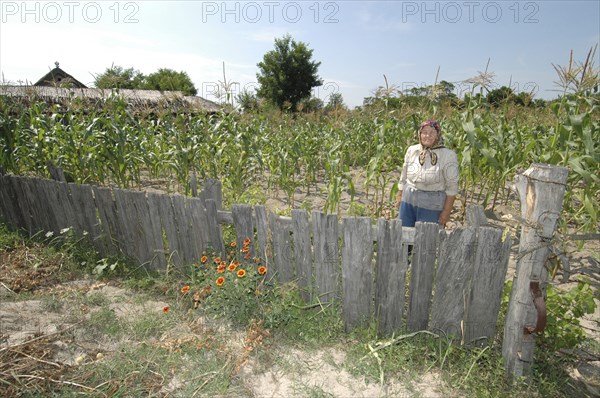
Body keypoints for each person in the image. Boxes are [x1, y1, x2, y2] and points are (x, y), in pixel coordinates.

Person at [396, 119, 459, 228]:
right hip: (408, 200)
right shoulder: (412, 150)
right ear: (419, 134)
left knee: (426, 238)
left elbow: (452, 188)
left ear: (438, 135)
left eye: (432, 133)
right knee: (404, 235)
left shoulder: (448, 155)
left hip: (432, 204)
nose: (427, 136)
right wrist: (400, 196)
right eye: (424, 132)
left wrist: (446, 212)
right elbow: (403, 176)